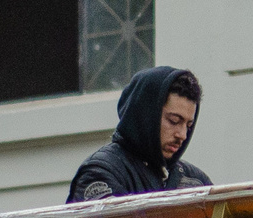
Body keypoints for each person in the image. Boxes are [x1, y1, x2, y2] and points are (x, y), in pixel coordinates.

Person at [69, 66, 210, 201]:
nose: (182, 135)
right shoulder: (101, 173)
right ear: (146, 115)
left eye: (188, 126)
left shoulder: (195, 181)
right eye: (174, 121)